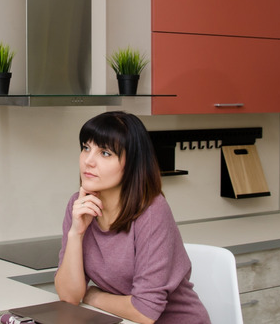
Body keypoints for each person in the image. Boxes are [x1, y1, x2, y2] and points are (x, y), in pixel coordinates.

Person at [54, 111, 211, 324]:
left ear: (132, 163)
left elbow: (144, 312)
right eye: (86, 148)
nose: (88, 161)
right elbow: (69, 297)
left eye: (105, 153)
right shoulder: (80, 205)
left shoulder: (152, 211)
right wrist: (76, 233)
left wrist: (93, 295)